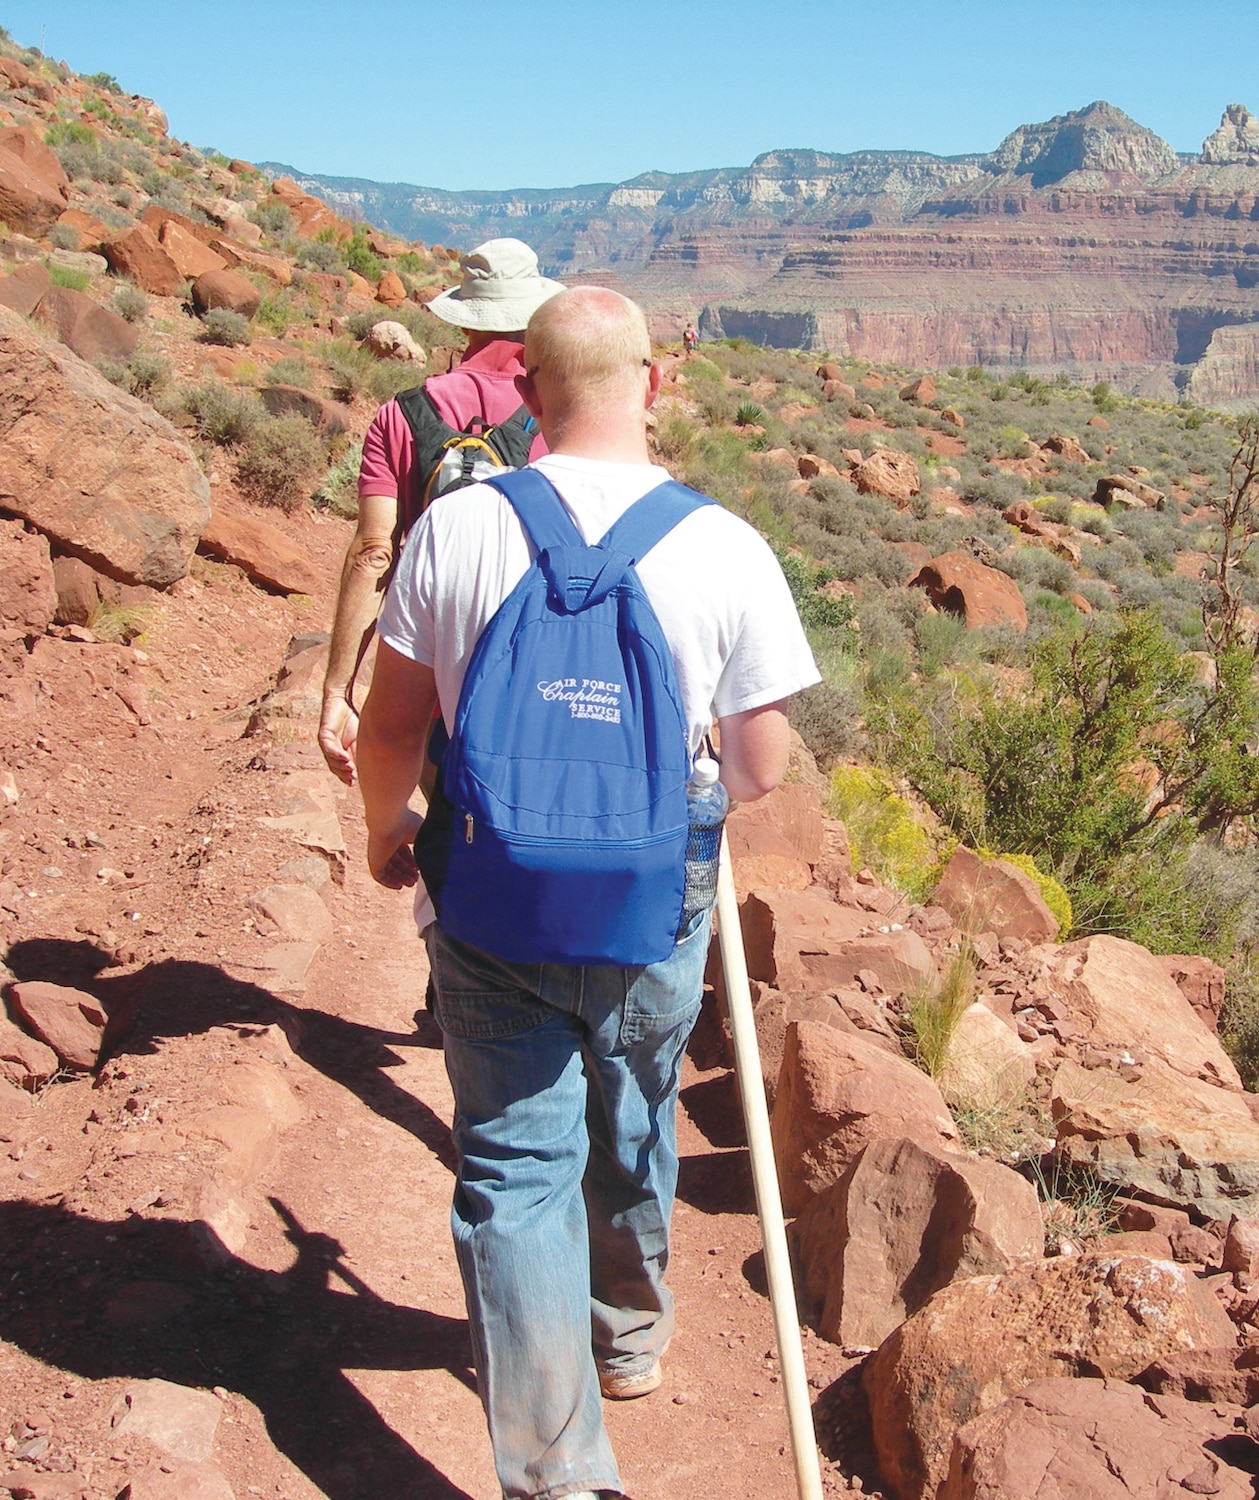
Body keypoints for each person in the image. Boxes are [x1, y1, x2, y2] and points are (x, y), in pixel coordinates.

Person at [356, 286, 820, 1500]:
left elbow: (390, 726)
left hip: (489, 896)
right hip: (650, 900)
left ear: (526, 390)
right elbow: (762, 766)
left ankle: (560, 1478)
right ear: (653, 384)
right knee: (634, 1104)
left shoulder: (456, 528)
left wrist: (384, 829)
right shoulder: (724, 542)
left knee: (512, 1171)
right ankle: (628, 1336)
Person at [316, 237, 565, 785]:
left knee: (445, 839)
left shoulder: (401, 415)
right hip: (535, 669)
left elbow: (373, 554)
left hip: (430, 661)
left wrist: (339, 691)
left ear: (465, 320)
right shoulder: (560, 416)